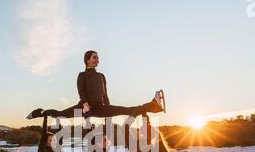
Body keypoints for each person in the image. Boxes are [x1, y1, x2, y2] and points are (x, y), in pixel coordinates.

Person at [26, 50, 165, 120]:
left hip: (100, 108)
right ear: (87, 60)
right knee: (60, 115)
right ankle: (40, 112)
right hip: (85, 107)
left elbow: (105, 95)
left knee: (126, 110)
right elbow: (81, 91)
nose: (97, 59)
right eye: (94, 57)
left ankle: (154, 105)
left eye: (98, 57)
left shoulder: (101, 76)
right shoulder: (82, 75)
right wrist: (85, 104)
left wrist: (109, 110)